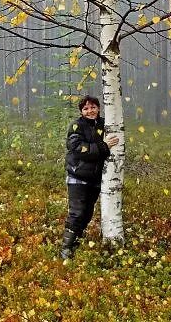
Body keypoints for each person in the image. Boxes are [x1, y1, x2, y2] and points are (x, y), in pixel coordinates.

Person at [60, 95, 119, 260]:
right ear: (81, 111)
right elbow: (77, 148)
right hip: (77, 176)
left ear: (98, 108)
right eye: (86, 108)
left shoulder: (105, 124)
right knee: (77, 213)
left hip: (95, 179)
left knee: (87, 214)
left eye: (93, 107)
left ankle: (76, 242)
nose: (90, 111)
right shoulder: (76, 126)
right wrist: (103, 146)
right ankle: (66, 249)